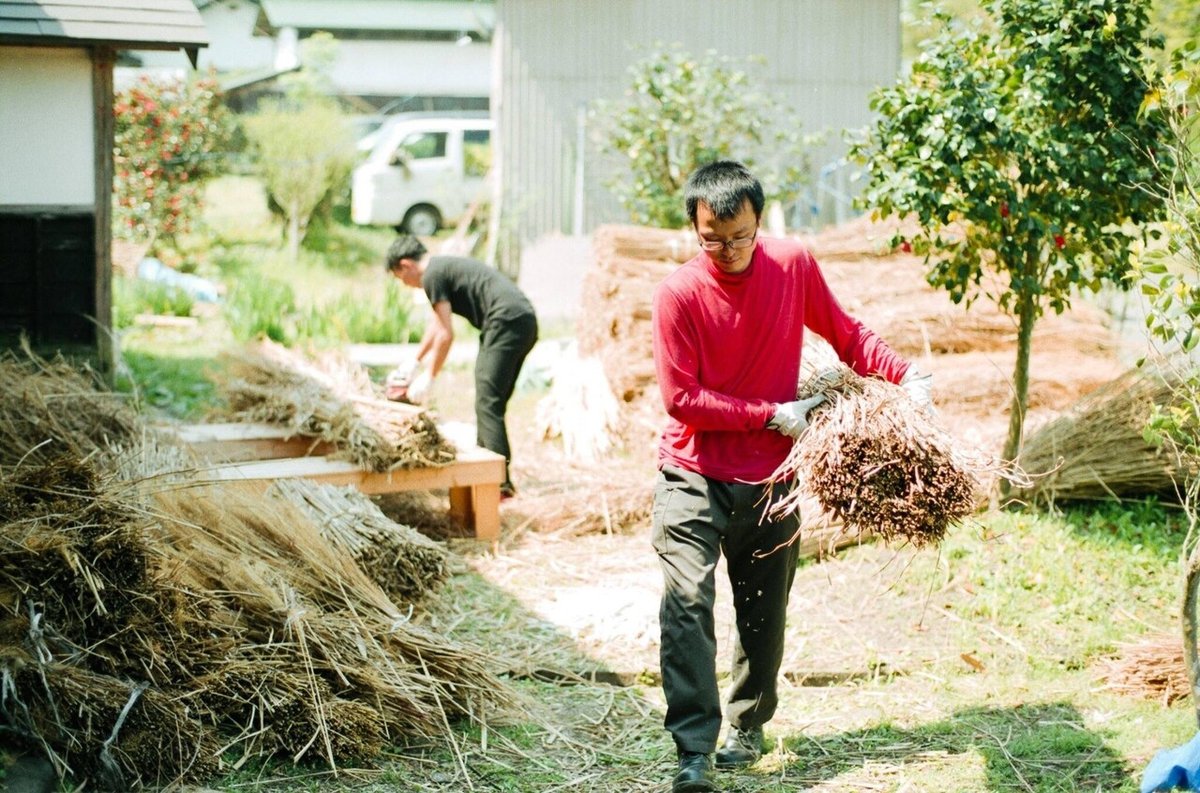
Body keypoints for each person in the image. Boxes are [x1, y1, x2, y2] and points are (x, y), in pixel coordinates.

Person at [650, 160, 932, 793]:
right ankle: (693, 749)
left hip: (772, 477)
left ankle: (748, 729)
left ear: (759, 219)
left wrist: (906, 374)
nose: (726, 250)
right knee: (687, 604)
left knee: (762, 609)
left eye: (740, 235)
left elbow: (845, 333)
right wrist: (769, 414)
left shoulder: (792, 265)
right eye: (711, 238)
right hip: (690, 474)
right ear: (695, 228)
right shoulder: (678, 293)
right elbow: (681, 399)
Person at [384, 235, 538, 498]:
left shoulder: (432, 276)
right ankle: (486, 471)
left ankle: (498, 485)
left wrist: (430, 377)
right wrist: (415, 362)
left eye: (401, 279)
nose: (407, 285)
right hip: (522, 320)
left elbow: (446, 334)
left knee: (487, 402)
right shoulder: (442, 268)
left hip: (504, 321)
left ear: (406, 265)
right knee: (492, 404)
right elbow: (436, 325)